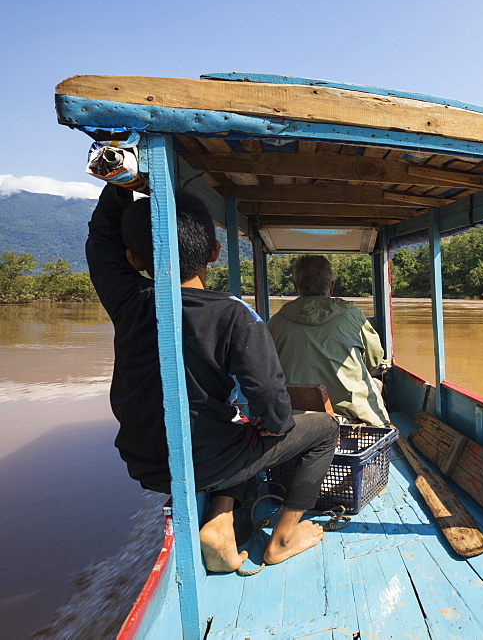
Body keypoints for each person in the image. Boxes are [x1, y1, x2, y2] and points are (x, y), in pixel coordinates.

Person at [87, 184, 341, 572]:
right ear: (214, 253)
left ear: (134, 258)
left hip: (145, 463)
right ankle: (283, 540)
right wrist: (273, 426)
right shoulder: (234, 314)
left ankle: (221, 523)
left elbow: (99, 241)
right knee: (322, 428)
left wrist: (119, 188)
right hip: (204, 463)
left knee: (237, 430)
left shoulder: (126, 297)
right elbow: (271, 399)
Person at [267, 255, 390, 427]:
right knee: (377, 384)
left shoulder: (276, 322)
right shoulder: (353, 315)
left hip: (295, 418)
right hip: (350, 417)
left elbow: (266, 369)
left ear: (295, 287)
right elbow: (374, 360)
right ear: (331, 287)